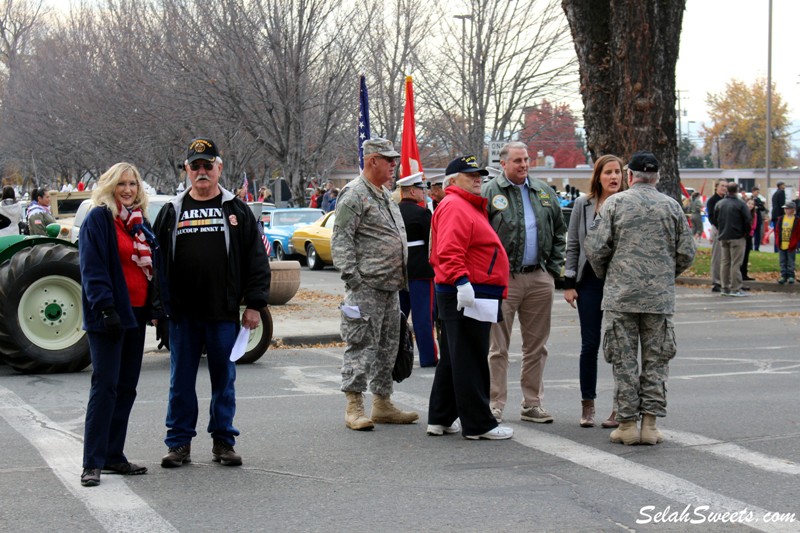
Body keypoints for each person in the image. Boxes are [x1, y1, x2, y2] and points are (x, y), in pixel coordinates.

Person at [154, 137, 271, 468]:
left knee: (224, 378)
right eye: (196, 166)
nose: (202, 172)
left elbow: (256, 262)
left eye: (208, 165)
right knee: (181, 382)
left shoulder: (237, 211)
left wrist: (254, 305)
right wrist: (158, 308)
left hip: (222, 313)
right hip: (182, 315)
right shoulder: (170, 212)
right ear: (187, 171)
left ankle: (223, 441)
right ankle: (178, 443)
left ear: (219, 168)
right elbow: (157, 263)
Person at [584, 151, 696, 446]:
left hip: (621, 296)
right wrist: (663, 275)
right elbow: (687, 252)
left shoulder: (613, 204)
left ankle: (627, 424)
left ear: (629, 176)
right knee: (656, 361)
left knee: (624, 362)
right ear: (657, 177)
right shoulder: (672, 207)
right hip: (658, 300)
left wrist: (609, 274)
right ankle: (650, 424)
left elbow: (594, 247)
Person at [78, 162, 164, 487]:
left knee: (126, 387)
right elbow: (92, 268)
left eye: (132, 184)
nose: (127, 189)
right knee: (105, 387)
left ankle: (114, 455)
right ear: (109, 185)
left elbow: (151, 268)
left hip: (136, 315)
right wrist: (104, 309)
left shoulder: (138, 224)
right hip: (108, 317)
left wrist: (158, 308)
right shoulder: (99, 219)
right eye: (121, 184)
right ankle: (92, 462)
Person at [331, 137, 418, 431]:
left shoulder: (383, 194)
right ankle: (354, 406)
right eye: (389, 159)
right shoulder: (354, 194)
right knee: (361, 345)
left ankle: (382, 403)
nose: (394, 165)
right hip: (366, 286)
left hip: (390, 286)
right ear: (373, 161)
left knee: (388, 347)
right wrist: (354, 279)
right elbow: (341, 239)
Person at [427, 155, 513, 440]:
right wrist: (461, 281)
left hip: (469, 289)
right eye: (470, 174)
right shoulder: (455, 205)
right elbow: (449, 249)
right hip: (467, 290)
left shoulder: (464, 205)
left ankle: (440, 417)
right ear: (452, 181)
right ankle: (478, 424)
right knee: (471, 358)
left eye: (479, 174)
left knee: (454, 357)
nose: (477, 178)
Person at [482, 141, 566, 424]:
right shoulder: (490, 191)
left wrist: (552, 270)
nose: (524, 165)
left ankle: (532, 403)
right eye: (517, 160)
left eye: (527, 160)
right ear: (503, 164)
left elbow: (559, 232)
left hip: (538, 277)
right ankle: (494, 402)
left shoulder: (543, 191)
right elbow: (480, 235)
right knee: (497, 347)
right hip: (503, 279)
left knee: (537, 346)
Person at [563, 155, 626, 429]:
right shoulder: (583, 204)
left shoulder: (628, 203)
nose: (614, 177)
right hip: (589, 282)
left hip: (620, 284)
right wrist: (568, 283)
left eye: (618, 172)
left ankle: (620, 407)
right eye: (608, 172)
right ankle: (587, 404)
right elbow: (573, 244)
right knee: (589, 345)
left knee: (620, 347)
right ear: (598, 177)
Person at [396, 172, 438, 368]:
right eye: (421, 189)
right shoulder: (422, 214)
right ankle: (428, 357)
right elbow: (431, 242)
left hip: (398, 270)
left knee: (398, 317)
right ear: (412, 190)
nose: (424, 192)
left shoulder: (393, 211)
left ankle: (395, 357)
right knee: (423, 317)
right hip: (420, 270)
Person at [715, 182, 751, 297]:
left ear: (727, 190)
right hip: (737, 236)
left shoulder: (720, 203)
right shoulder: (740, 204)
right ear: (737, 190)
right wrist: (745, 233)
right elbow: (747, 220)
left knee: (725, 262)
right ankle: (736, 288)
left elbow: (716, 219)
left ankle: (724, 287)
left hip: (724, 235)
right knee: (736, 263)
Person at [706, 180, 727, 292]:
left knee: (726, 257)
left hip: (728, 231)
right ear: (716, 187)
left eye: (726, 186)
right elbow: (711, 217)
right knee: (717, 257)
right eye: (722, 186)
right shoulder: (713, 201)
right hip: (718, 229)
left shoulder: (726, 200)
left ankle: (725, 280)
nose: (724, 188)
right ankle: (716, 281)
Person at [776, 201, 800, 284]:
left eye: (787, 208)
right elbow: (777, 231)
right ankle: (783, 275)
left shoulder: (796, 220)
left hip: (791, 244)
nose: (785, 210)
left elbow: (798, 233)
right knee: (782, 261)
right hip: (782, 243)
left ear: (793, 210)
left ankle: (790, 275)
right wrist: (777, 240)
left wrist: (795, 242)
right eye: (785, 208)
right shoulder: (781, 219)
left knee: (790, 261)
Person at [741, 198, 757, 281]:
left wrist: (750, 231)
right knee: (741, 255)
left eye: (752, 204)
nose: (750, 205)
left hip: (749, 236)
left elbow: (754, 226)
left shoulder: (754, 214)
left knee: (746, 255)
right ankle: (740, 273)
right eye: (749, 203)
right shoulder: (742, 212)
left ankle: (744, 273)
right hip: (743, 235)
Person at [771, 182, 787, 252]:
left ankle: (776, 249)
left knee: (776, 233)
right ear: (781, 186)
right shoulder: (781, 192)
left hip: (774, 215)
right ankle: (778, 249)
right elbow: (782, 204)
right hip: (779, 215)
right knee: (779, 233)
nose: (784, 186)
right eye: (784, 185)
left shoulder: (775, 193)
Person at [750, 186, 767, 251]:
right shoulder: (751, 199)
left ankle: (757, 247)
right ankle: (750, 247)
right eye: (757, 192)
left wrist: (758, 206)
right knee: (751, 233)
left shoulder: (758, 199)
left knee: (758, 233)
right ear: (753, 192)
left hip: (758, 218)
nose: (757, 193)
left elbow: (762, 207)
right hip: (752, 217)